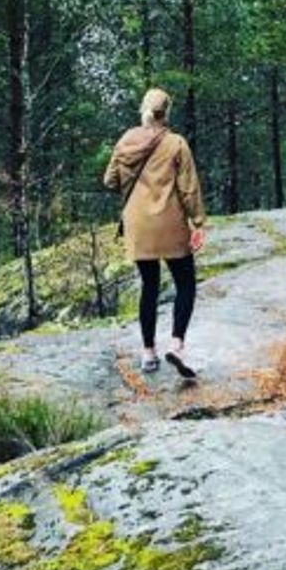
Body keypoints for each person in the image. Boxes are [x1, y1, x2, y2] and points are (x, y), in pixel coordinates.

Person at [103, 86, 207, 380]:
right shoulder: (176, 143)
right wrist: (198, 222)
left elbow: (110, 181)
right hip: (171, 223)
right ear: (167, 112)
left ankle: (148, 353)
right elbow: (188, 188)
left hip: (138, 226)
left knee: (149, 286)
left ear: (143, 110)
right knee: (185, 283)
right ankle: (176, 344)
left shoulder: (125, 140)